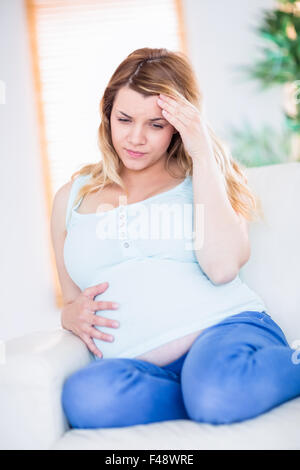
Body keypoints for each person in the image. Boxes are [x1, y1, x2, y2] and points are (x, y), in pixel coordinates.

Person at [50, 47, 300, 429]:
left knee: (218, 393)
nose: (135, 138)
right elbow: (72, 300)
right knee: (87, 398)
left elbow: (222, 269)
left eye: (156, 124)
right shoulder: (73, 196)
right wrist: (69, 314)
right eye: (125, 119)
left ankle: (219, 389)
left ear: (179, 126)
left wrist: (202, 152)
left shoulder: (207, 177)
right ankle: (201, 396)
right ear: (107, 116)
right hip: (139, 367)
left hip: (225, 331)